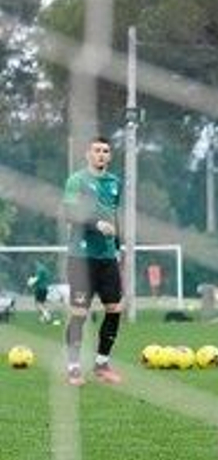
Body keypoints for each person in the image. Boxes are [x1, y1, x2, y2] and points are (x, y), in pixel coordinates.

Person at [61, 136, 125, 386]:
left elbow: (113, 215)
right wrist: (96, 224)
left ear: (109, 156)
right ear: (88, 154)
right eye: (97, 150)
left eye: (105, 151)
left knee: (114, 309)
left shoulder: (114, 183)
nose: (101, 154)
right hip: (81, 258)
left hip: (107, 258)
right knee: (79, 313)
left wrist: (118, 247)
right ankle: (74, 368)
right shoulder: (76, 180)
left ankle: (101, 364)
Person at [28, 259, 56, 324]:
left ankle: (47, 315)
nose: (35, 264)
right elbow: (47, 278)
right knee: (42, 303)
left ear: (38, 262)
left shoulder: (40, 269)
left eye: (36, 263)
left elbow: (37, 278)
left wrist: (30, 282)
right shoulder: (45, 269)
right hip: (45, 288)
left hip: (40, 288)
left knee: (38, 304)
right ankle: (43, 318)